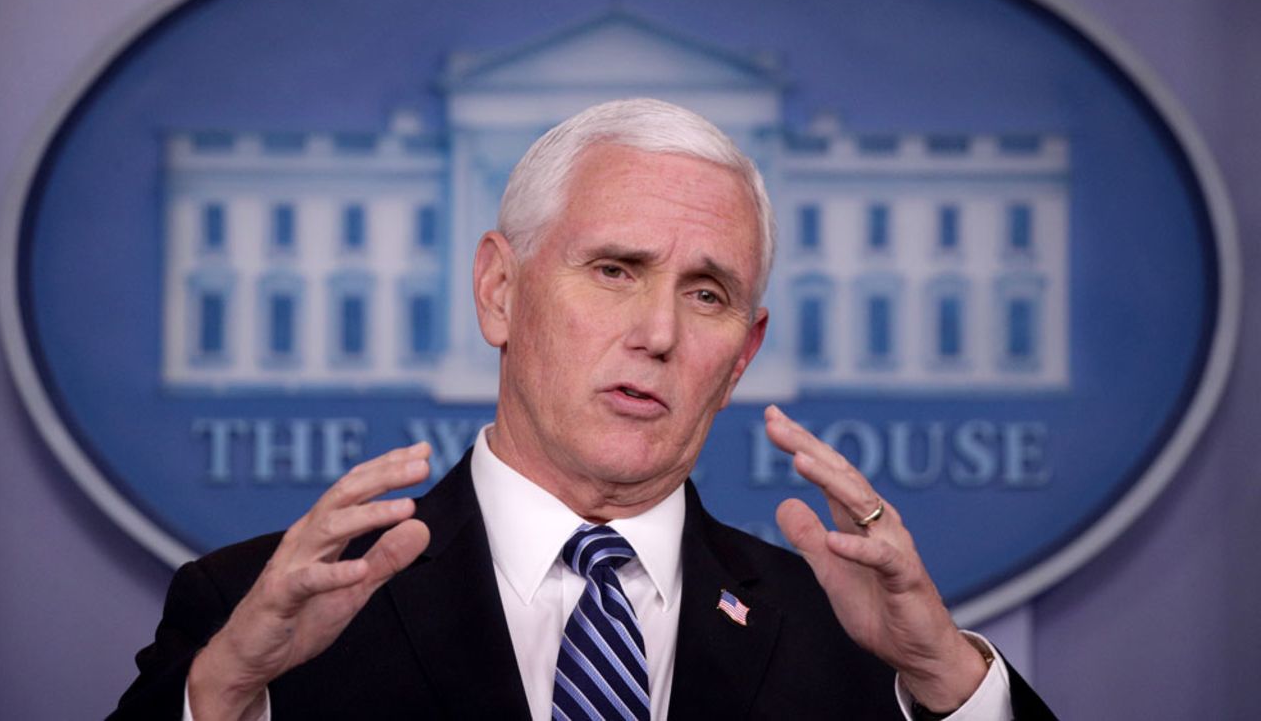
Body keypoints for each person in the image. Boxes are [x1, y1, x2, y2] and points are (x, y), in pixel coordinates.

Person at [112, 98, 1055, 720]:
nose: (657, 333)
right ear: (498, 291)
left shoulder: (856, 646)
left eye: (707, 295)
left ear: (742, 359)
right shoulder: (255, 619)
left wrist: (951, 684)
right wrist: (227, 687)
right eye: (614, 270)